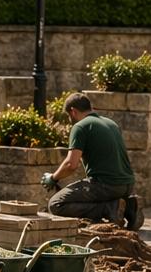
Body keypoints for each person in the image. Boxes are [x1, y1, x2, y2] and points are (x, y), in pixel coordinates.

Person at [42, 94, 143, 228]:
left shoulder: (80, 127)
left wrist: (53, 178)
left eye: (68, 115)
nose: (70, 119)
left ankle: (110, 209)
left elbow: (71, 165)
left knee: (56, 204)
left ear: (73, 111)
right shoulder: (111, 123)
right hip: (127, 184)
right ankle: (130, 207)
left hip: (106, 185)